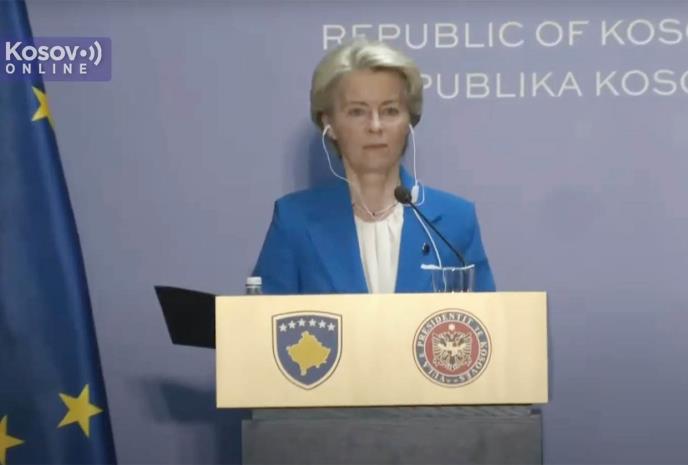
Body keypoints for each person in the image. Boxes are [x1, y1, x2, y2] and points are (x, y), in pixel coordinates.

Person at [253, 39, 495, 294]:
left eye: (390, 111)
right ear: (329, 124)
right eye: (357, 112)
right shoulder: (295, 221)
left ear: (409, 121)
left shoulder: (455, 220)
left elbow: (485, 316)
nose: (375, 126)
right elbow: (264, 317)